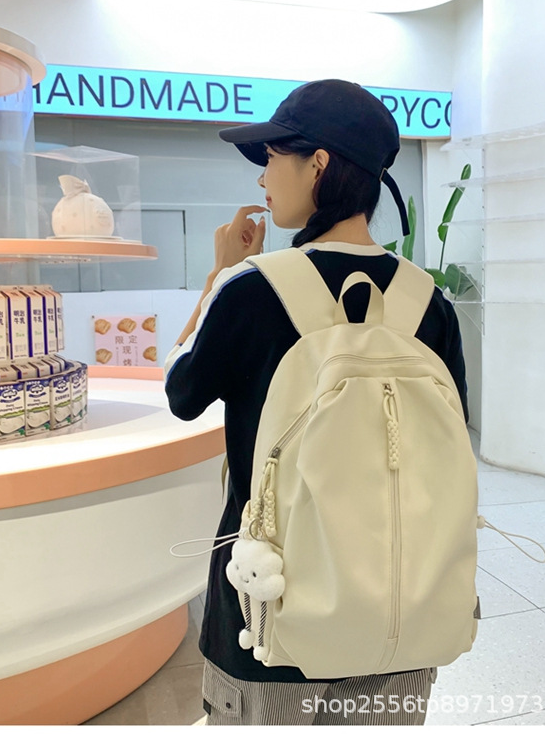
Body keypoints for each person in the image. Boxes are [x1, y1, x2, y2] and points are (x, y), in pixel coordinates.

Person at [164, 79, 469, 725]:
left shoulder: (250, 290)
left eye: (272, 156)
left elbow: (182, 395)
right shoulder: (428, 302)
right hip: (402, 604)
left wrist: (217, 276)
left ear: (319, 164)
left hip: (267, 604)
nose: (262, 177)